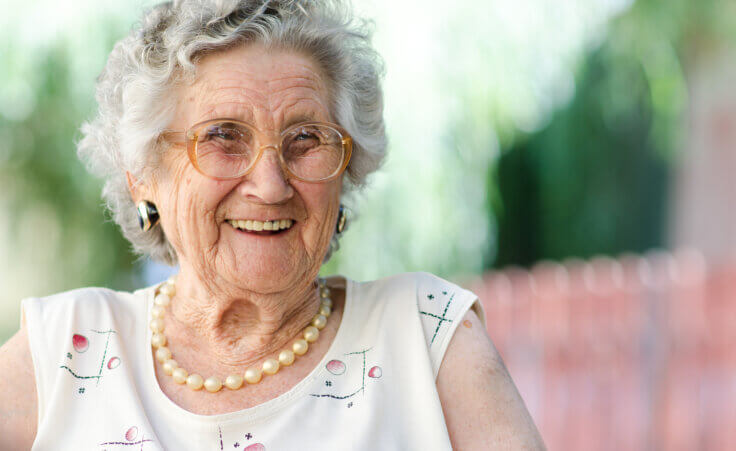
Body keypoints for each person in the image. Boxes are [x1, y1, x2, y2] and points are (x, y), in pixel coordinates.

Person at [0, 1, 544, 449]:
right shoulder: (65, 352)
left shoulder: (428, 338)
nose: (271, 184)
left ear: (346, 171)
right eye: (222, 137)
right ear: (144, 177)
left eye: (305, 139)